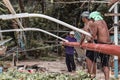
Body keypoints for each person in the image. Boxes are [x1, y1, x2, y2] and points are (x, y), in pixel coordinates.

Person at [88, 11, 111, 80]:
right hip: (108, 44)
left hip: (102, 44)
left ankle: (92, 76)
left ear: (93, 17)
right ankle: (107, 79)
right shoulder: (103, 22)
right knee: (105, 64)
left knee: (90, 58)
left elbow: (94, 35)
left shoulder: (96, 23)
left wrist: (89, 38)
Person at [80, 11, 97, 78]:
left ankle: (91, 75)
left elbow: (83, 35)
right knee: (94, 60)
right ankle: (93, 75)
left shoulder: (88, 24)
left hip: (91, 43)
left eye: (82, 17)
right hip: (94, 43)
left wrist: (80, 44)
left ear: (85, 18)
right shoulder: (91, 23)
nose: (82, 19)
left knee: (89, 59)